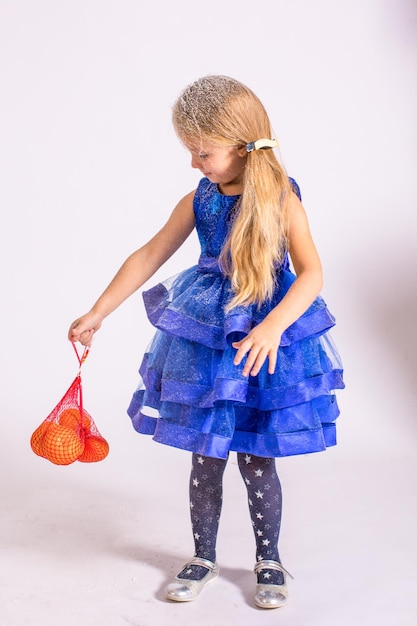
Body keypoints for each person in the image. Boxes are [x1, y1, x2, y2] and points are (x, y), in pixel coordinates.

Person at [68, 75, 344, 609]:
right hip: (208, 334)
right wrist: (98, 311)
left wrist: (272, 327)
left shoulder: (282, 197)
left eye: (203, 153)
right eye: (191, 153)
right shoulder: (200, 198)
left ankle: (269, 558)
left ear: (243, 147)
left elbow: (311, 274)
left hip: (265, 338)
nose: (195, 164)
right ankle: (203, 556)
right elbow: (150, 254)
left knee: (258, 457)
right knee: (206, 454)